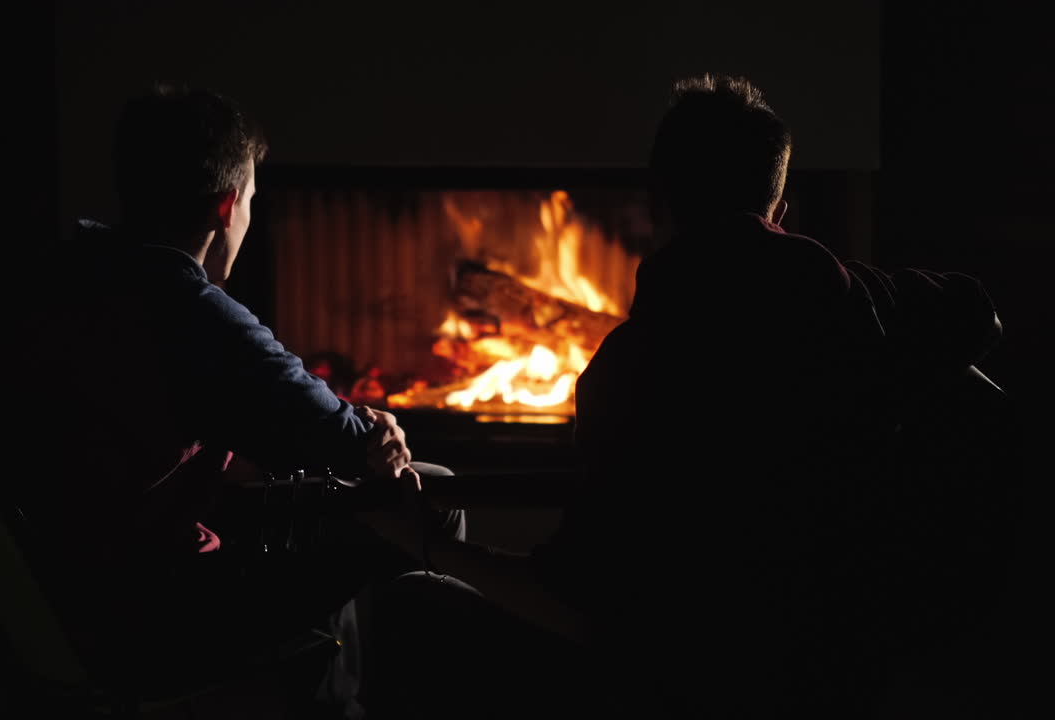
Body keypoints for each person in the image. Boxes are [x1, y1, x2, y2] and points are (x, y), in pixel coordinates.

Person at [365, 75, 1012, 719]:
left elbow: (577, 604)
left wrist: (432, 543)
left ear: (658, 205)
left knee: (411, 601)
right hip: (839, 671)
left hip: (683, 682)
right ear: (779, 214)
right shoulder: (865, 304)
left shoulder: (630, 370)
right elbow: (981, 321)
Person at [0, 85, 461, 712]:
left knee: (334, 528)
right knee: (431, 500)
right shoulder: (187, 310)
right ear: (226, 206)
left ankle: (328, 695)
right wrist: (375, 433)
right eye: (250, 199)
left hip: (45, 590)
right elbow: (345, 441)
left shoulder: (63, 272)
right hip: (149, 612)